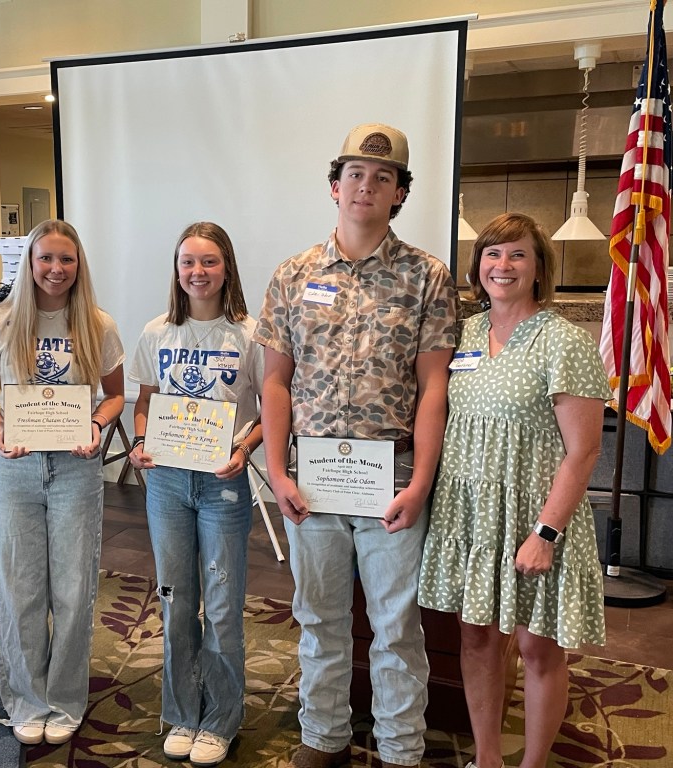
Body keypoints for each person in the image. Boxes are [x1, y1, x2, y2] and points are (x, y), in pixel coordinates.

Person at [254, 123, 458, 768]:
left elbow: (433, 388)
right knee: (318, 618)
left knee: (397, 628)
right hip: (312, 479)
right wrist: (277, 470)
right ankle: (323, 737)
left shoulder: (427, 276)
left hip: (390, 477)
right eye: (356, 175)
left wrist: (420, 480)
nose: (367, 187)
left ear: (400, 193)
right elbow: (276, 383)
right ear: (334, 185)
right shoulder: (294, 274)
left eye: (383, 177)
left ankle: (400, 749)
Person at [418, 213, 608, 768]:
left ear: (539, 266)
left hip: (535, 515)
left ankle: (532, 764)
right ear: (478, 267)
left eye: (518, 254)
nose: (504, 266)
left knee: (536, 646)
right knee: (476, 640)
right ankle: (488, 758)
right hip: (471, 517)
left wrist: (546, 532)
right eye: (493, 254)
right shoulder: (464, 334)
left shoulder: (563, 341)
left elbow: (584, 451)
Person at [0, 219, 125, 746]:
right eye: (45, 259)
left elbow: (114, 396)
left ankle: (63, 699)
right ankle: (25, 698)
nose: (56, 269)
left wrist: (98, 426)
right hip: (15, 468)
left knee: (74, 587)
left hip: (75, 469)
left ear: (79, 265)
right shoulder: (1, 323)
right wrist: (2, 429)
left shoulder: (98, 325)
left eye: (66, 259)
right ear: (28, 264)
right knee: (19, 587)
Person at [127, 222, 264, 767]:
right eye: (188, 262)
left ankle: (222, 718)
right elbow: (144, 404)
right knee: (176, 598)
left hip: (222, 481)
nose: (197, 272)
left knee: (225, 603)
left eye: (208, 262)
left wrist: (246, 448)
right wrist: (140, 440)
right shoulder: (157, 331)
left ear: (227, 266)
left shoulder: (251, 334)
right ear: (176, 269)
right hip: (166, 482)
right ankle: (183, 712)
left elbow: (274, 411)